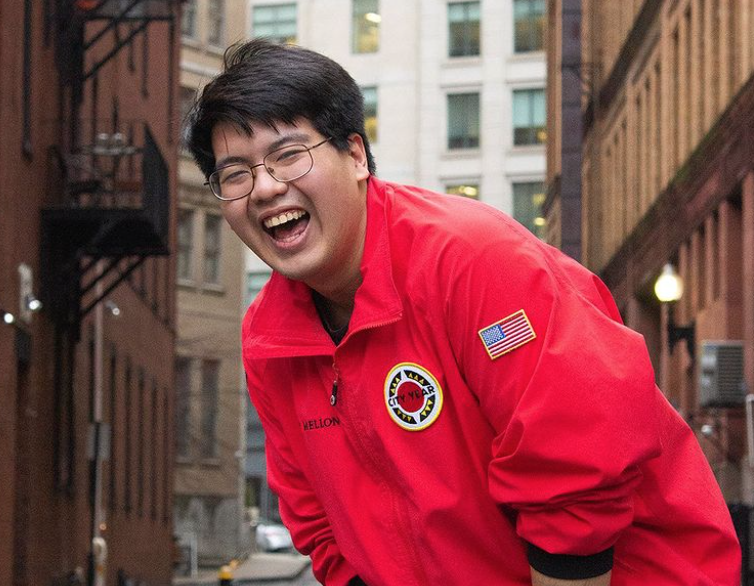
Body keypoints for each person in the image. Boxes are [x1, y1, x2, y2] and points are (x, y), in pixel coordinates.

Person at [188, 39, 740, 586]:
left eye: (288, 155)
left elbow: (576, 478)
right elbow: (319, 525)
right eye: (235, 173)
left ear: (355, 155)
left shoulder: (471, 259)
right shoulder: (268, 338)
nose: (263, 187)